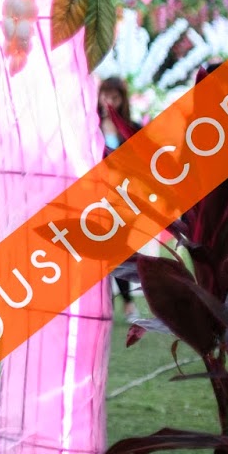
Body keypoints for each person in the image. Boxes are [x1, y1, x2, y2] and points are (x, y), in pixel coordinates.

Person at [98, 76, 140, 309]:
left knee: (120, 251)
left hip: (124, 199)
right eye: (105, 96)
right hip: (97, 198)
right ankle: (108, 303)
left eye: (114, 97)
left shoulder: (132, 128)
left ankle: (127, 301)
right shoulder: (90, 129)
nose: (109, 102)